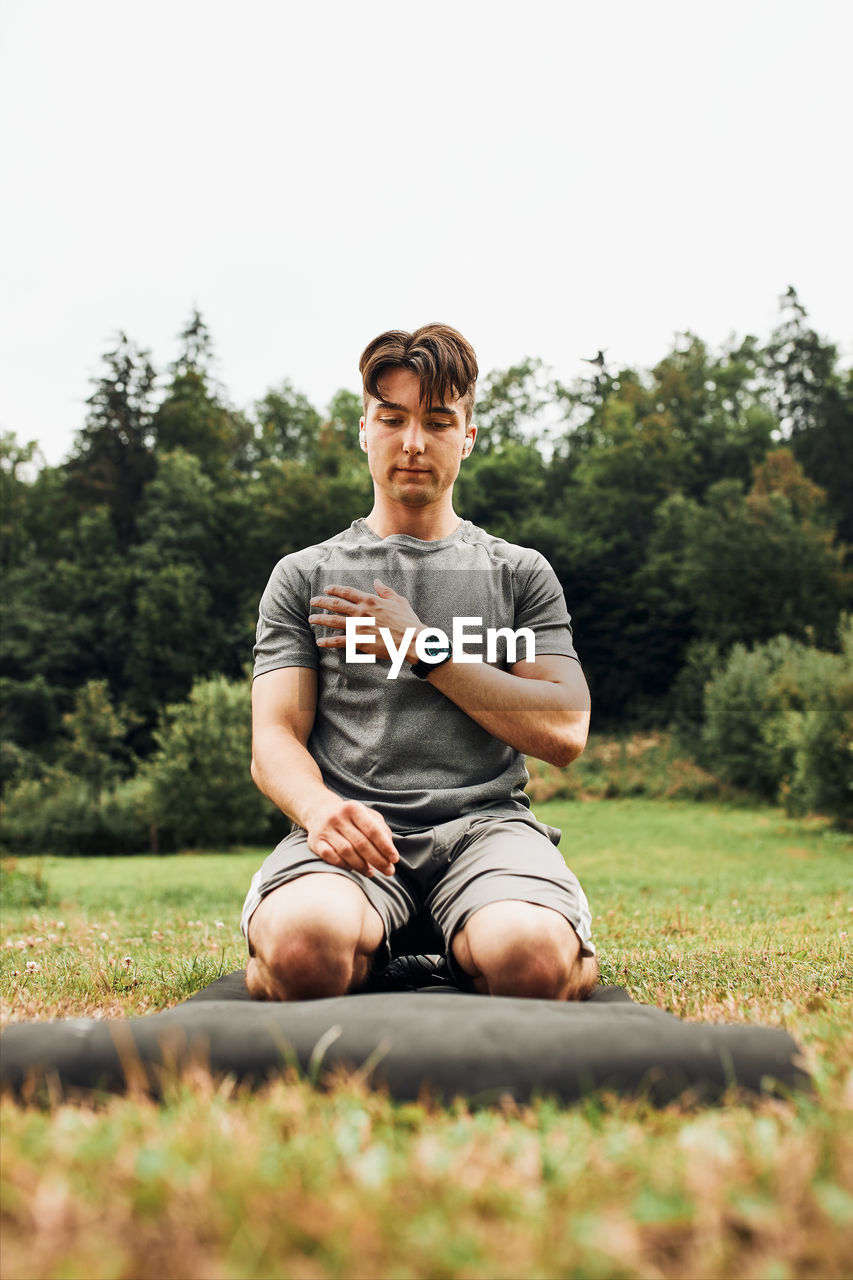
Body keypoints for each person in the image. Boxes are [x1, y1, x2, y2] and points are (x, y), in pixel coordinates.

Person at [242, 323, 598, 1002]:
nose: (412, 442)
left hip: (486, 832)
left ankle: (474, 948)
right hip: (351, 834)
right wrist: (320, 810)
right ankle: (375, 953)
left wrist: (423, 647)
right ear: (363, 430)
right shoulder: (304, 575)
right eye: (392, 418)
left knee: (532, 963)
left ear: (466, 436)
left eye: (437, 421)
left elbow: (563, 730)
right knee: (300, 953)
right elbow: (273, 738)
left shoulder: (518, 574)